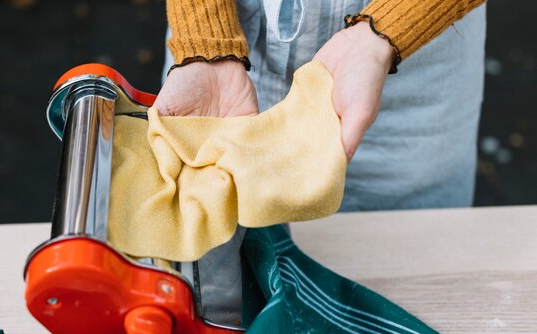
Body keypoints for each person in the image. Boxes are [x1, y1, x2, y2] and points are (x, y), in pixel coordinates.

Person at [154, 0, 487, 211]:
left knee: (405, 268)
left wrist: (386, 32)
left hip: (412, 68)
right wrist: (204, 37)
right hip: (224, 67)